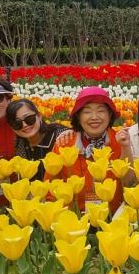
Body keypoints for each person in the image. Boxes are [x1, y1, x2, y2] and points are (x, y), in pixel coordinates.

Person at [46, 86, 127, 214]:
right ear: (78, 116)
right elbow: (50, 187)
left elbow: (130, 183)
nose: (94, 117)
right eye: (87, 112)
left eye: (101, 111)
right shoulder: (64, 144)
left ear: (110, 114)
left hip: (114, 216)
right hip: (73, 217)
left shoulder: (121, 142)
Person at [6, 98, 69, 181]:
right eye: (17, 123)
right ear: (12, 127)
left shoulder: (61, 135)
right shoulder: (20, 145)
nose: (24, 125)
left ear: (39, 116)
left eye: (29, 119)